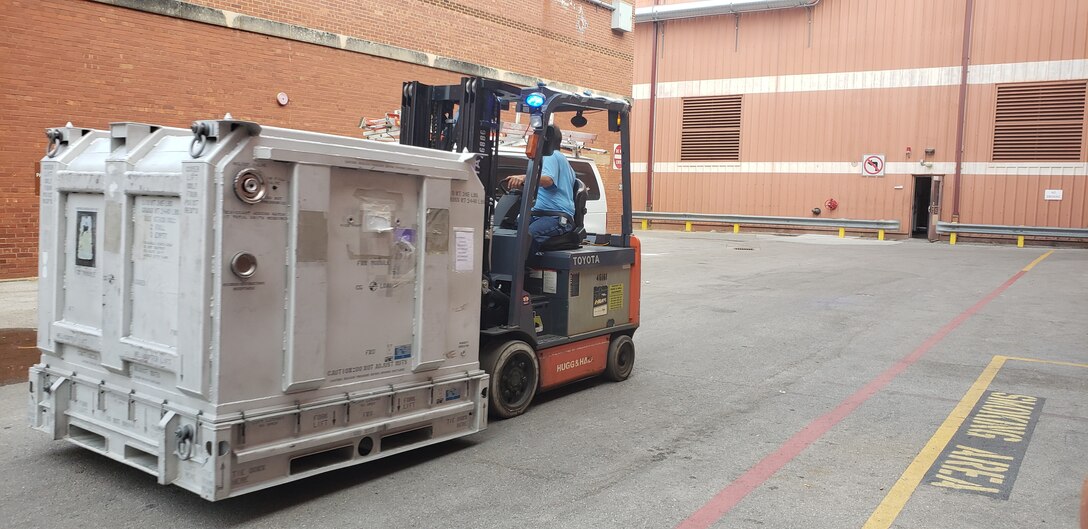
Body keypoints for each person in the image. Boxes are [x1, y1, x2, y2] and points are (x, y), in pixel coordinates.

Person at [503, 124, 576, 255]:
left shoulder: (551, 155)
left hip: (555, 217)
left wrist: (523, 178)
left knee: (527, 236)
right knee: (507, 229)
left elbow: (548, 180)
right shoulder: (559, 160)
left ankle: (522, 273)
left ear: (545, 139)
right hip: (539, 214)